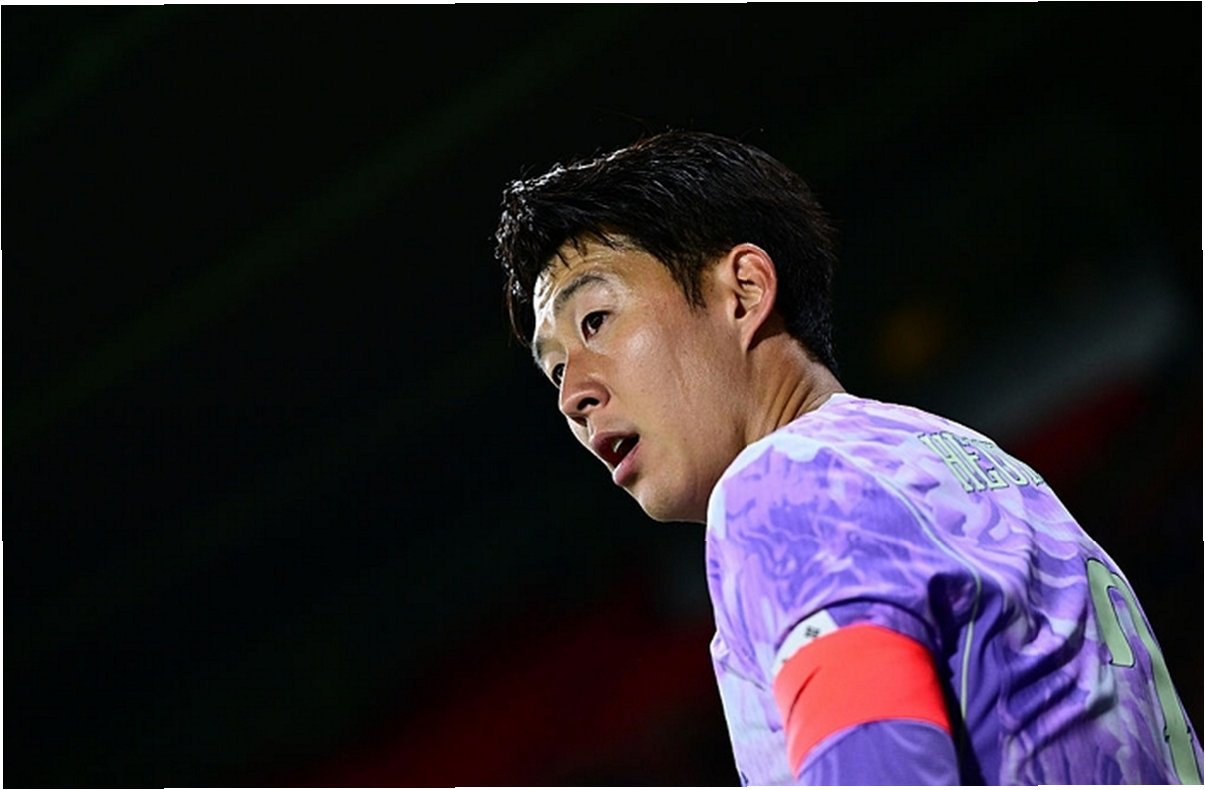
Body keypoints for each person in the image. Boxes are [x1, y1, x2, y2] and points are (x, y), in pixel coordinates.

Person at [492, 129, 1203, 785]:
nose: (573, 396)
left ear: (743, 291)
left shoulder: (784, 490)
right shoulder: (969, 461)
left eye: (596, 321)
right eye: (556, 371)